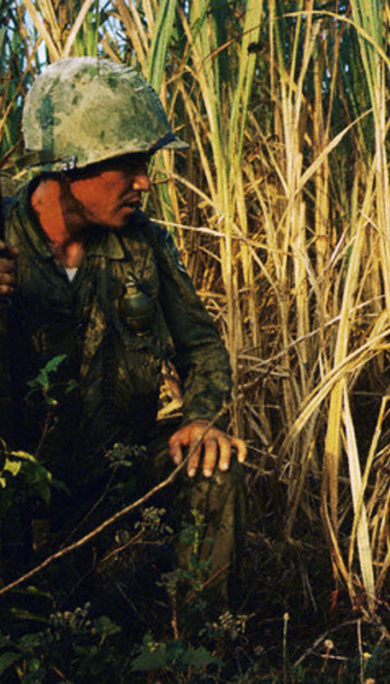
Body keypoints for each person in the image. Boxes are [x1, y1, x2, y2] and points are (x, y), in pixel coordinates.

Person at [0, 57, 245, 609]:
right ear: (68, 167)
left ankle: (196, 653)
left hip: (117, 484)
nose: (145, 181)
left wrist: (201, 419)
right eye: (128, 164)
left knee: (213, 466)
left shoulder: (145, 245)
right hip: (16, 495)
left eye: (146, 163)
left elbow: (202, 346)